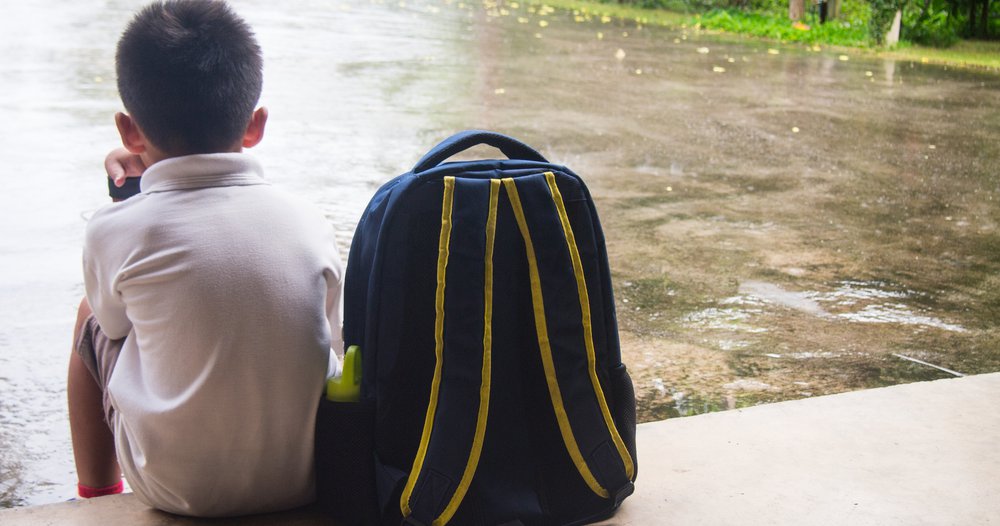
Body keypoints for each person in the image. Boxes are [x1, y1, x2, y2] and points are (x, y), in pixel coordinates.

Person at [67, 0, 344, 517]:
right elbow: (331, 337)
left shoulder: (114, 229)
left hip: (176, 490)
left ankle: (97, 497)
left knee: (90, 315)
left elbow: (114, 325)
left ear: (129, 131)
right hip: (307, 477)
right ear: (255, 125)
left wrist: (130, 197)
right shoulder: (309, 219)